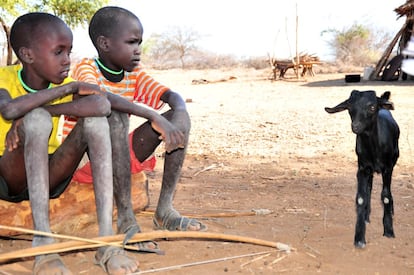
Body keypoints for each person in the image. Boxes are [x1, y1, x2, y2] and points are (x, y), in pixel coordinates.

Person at [0, 13, 139, 274]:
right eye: (59, 52)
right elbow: (8, 111)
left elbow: (101, 103)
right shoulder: (3, 79)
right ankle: (43, 244)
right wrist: (61, 93)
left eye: (70, 51)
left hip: (51, 175)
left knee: (95, 121)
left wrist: (64, 94)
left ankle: (106, 241)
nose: (67, 60)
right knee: (37, 120)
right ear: (28, 55)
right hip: (10, 176)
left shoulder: (65, 82)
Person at [63, 6, 207, 251]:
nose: (138, 50)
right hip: (85, 161)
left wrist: (179, 112)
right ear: (105, 44)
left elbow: (170, 95)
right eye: (131, 42)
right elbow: (101, 101)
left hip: (117, 157)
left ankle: (165, 211)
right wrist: (152, 115)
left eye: (139, 42)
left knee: (179, 118)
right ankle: (126, 219)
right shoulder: (86, 68)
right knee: (115, 114)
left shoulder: (133, 73)